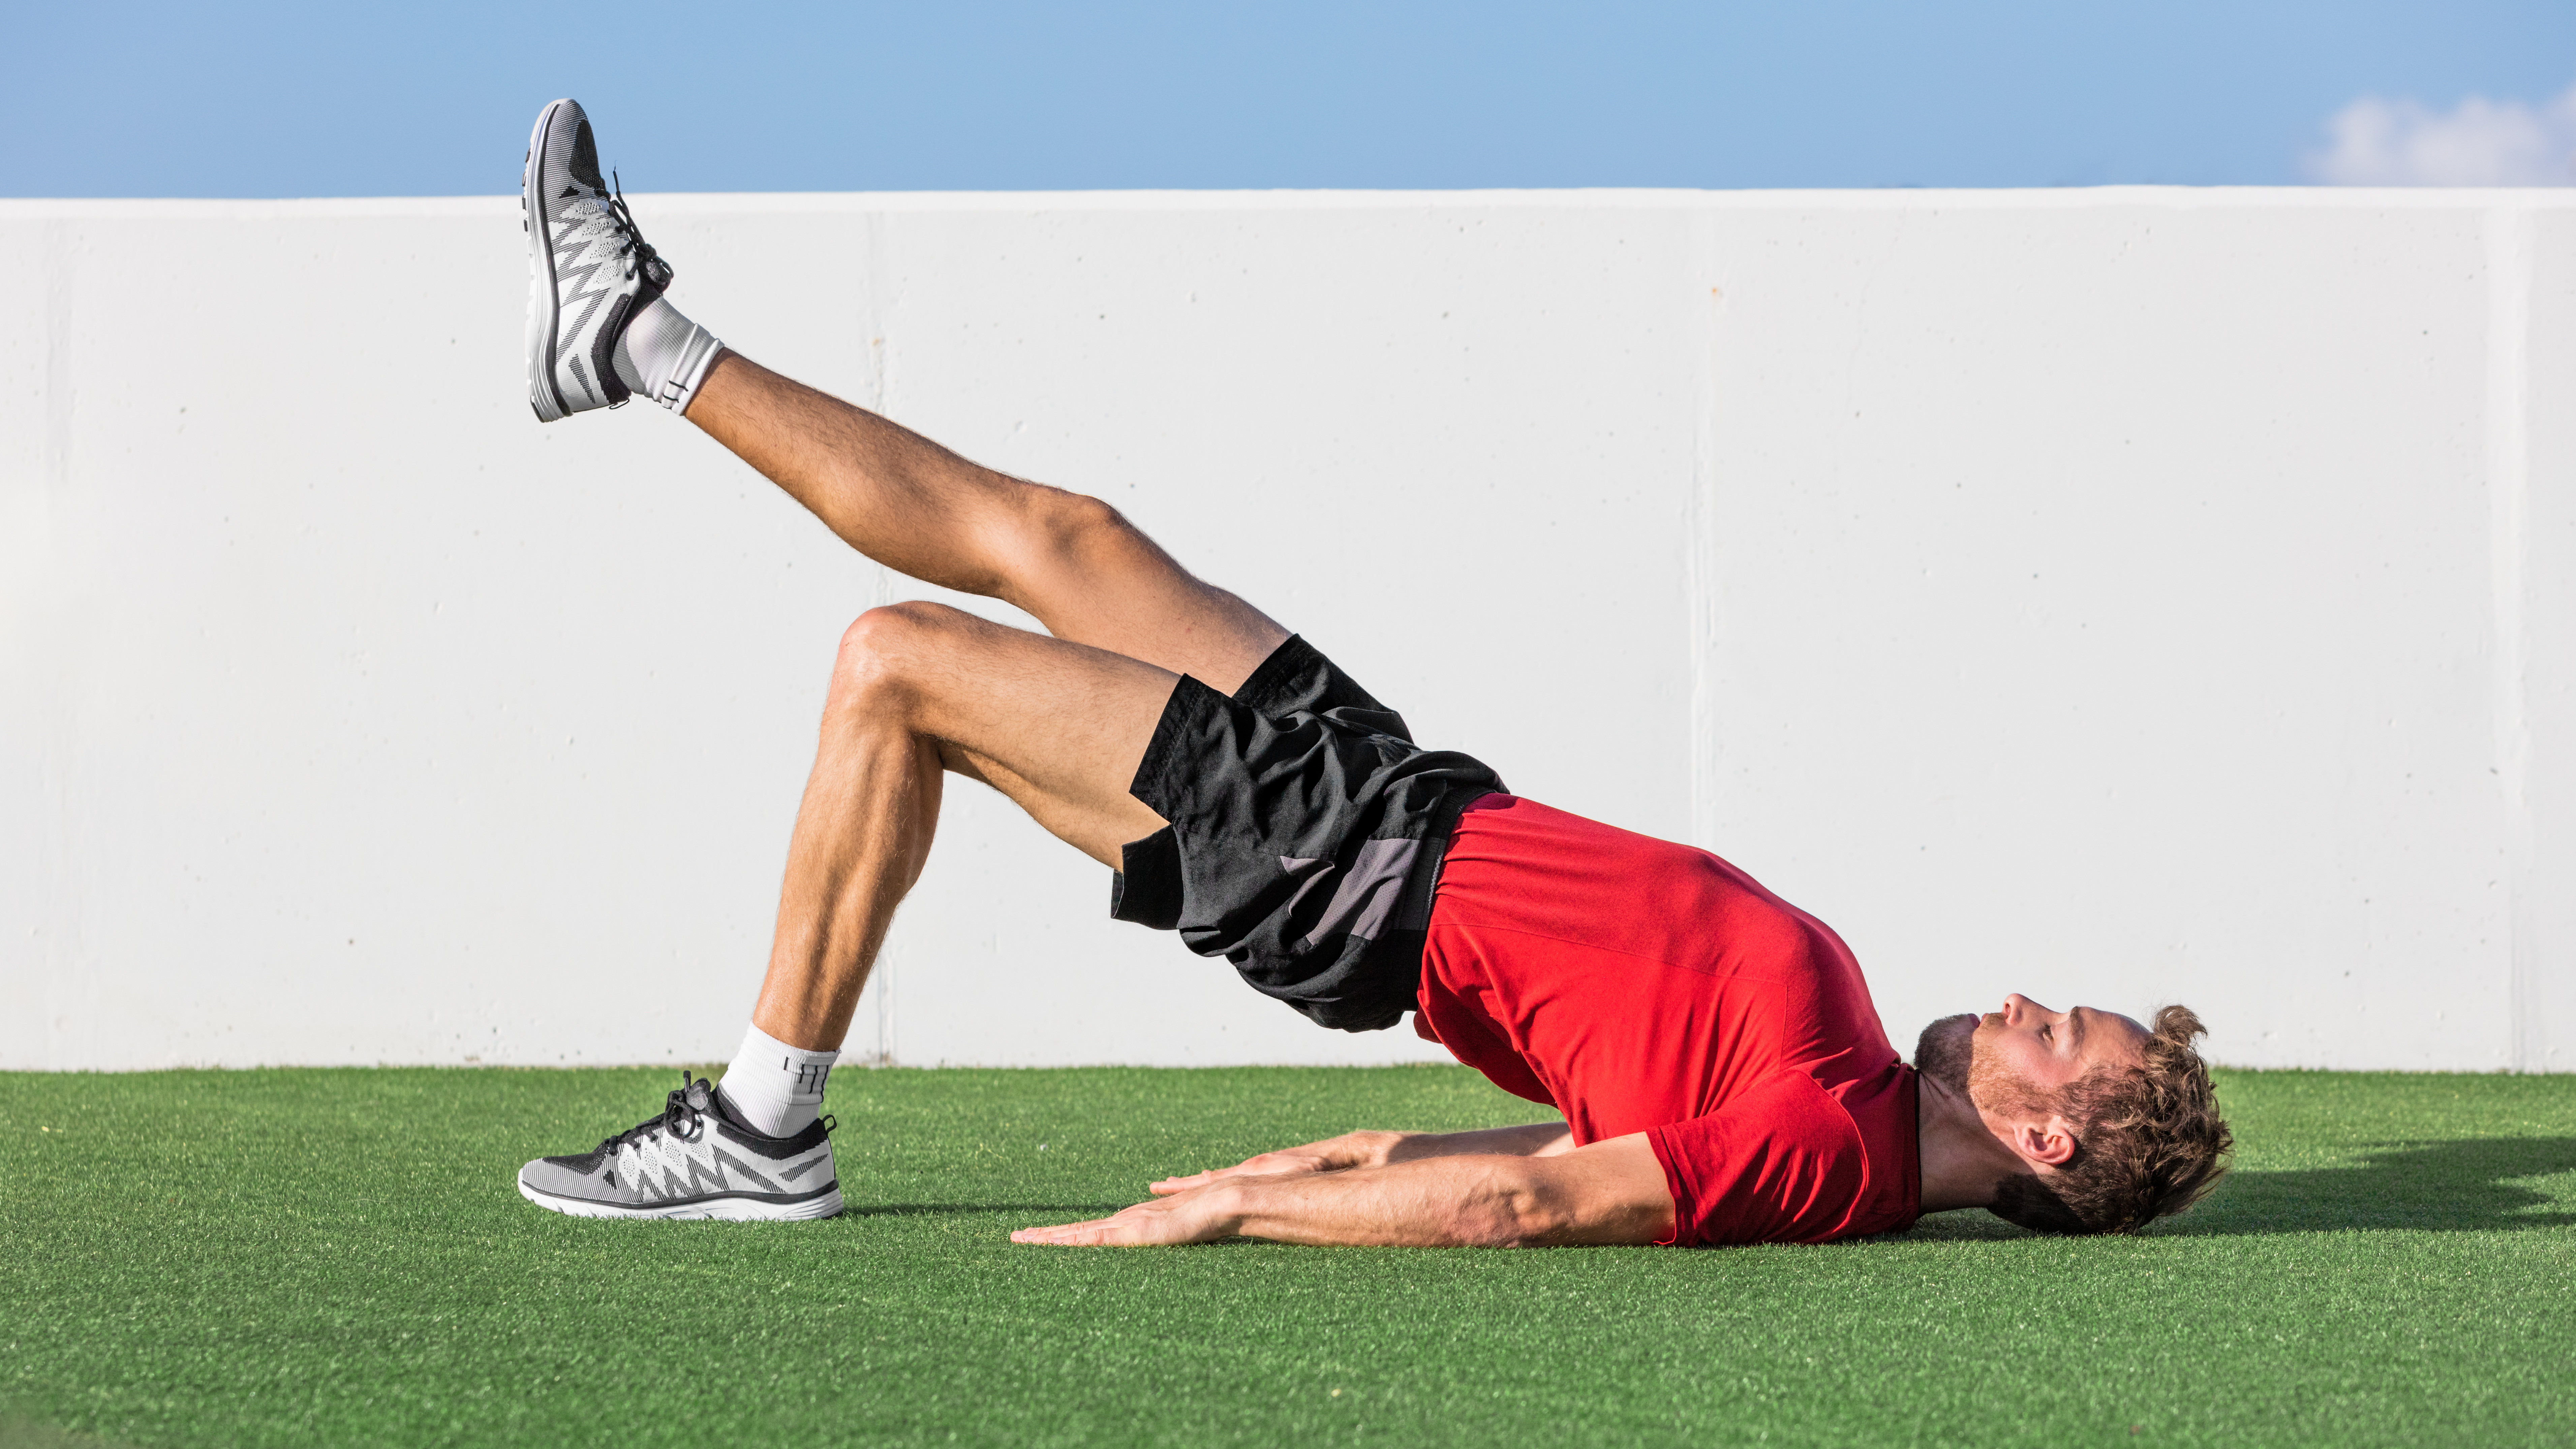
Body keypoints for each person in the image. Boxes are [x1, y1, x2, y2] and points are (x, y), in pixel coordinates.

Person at [511, 99, 2234, 1245]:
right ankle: (636, 339)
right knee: (1063, 532)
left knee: (895, 667)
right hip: (1401, 794)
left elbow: (1549, 1208)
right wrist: (1355, 1157)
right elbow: (1546, 1146)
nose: (2022, 1001)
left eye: (2055, 1033)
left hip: (1341, 869)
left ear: (2053, 1142)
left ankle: (763, 1127)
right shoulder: (1850, 1068)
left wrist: (1240, 1214)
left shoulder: (1839, 1154)